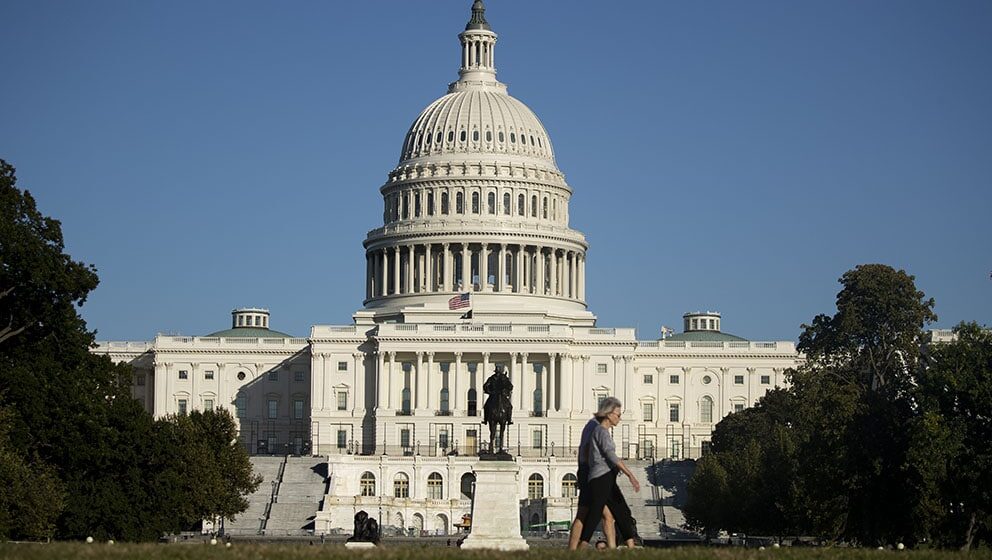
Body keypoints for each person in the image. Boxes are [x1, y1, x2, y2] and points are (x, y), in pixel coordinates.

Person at [568, 397, 640, 549]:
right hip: (592, 473)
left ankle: (611, 549)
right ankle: (573, 550)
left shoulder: (595, 426)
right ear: (608, 413)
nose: (619, 418)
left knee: (608, 515)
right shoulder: (597, 428)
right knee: (586, 513)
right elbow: (590, 451)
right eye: (617, 414)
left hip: (595, 473)